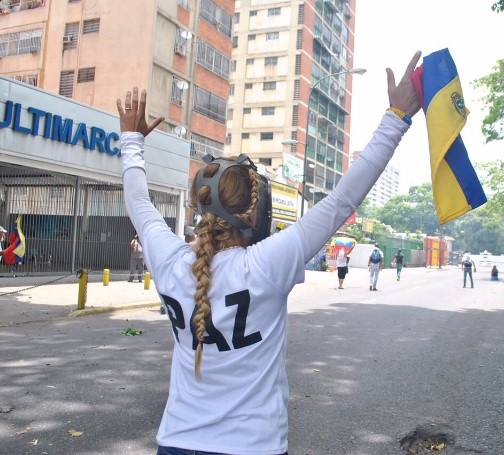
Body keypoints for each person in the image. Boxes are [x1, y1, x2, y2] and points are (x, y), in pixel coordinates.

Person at [117, 51, 421, 455]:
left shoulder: (171, 262)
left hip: (175, 443)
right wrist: (397, 118)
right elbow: (344, 198)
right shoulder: (268, 264)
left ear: (199, 209)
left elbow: (138, 201)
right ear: (254, 214)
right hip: (252, 447)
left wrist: (132, 140)